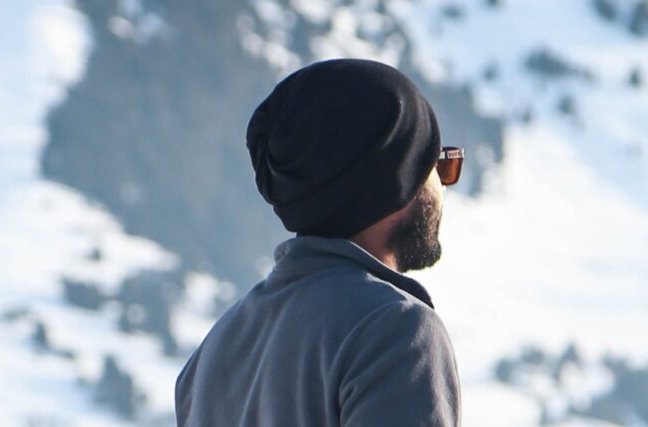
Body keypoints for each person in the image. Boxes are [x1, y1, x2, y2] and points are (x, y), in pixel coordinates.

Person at [175, 58, 463, 427]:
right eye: (438, 165)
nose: (444, 185)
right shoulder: (396, 331)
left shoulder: (216, 349)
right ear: (399, 180)